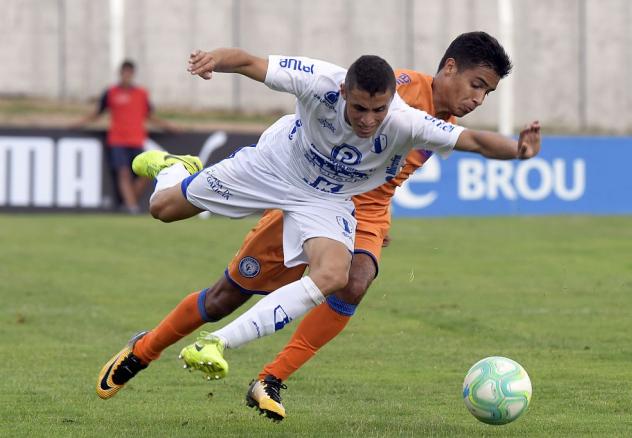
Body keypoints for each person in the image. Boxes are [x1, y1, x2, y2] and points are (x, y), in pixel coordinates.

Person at [96, 40, 541, 413]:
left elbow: (474, 142)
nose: (478, 99)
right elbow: (257, 63)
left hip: (344, 204)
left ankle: (268, 379)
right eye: (477, 85)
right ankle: (145, 347)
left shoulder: (429, 121)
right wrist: (214, 61)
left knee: (350, 279)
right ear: (448, 68)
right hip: (285, 171)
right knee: (223, 287)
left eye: (487, 93)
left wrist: (518, 152)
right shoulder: (399, 91)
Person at [71, 60, 179, 213]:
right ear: (120, 74)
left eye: (130, 73)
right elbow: (97, 113)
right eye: (124, 72)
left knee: (147, 172)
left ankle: (129, 203)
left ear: (133, 74)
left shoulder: (142, 94)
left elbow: (150, 116)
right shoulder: (111, 92)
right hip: (118, 140)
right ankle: (132, 206)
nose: (127, 76)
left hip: (137, 140)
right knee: (123, 173)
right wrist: (78, 124)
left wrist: (168, 127)